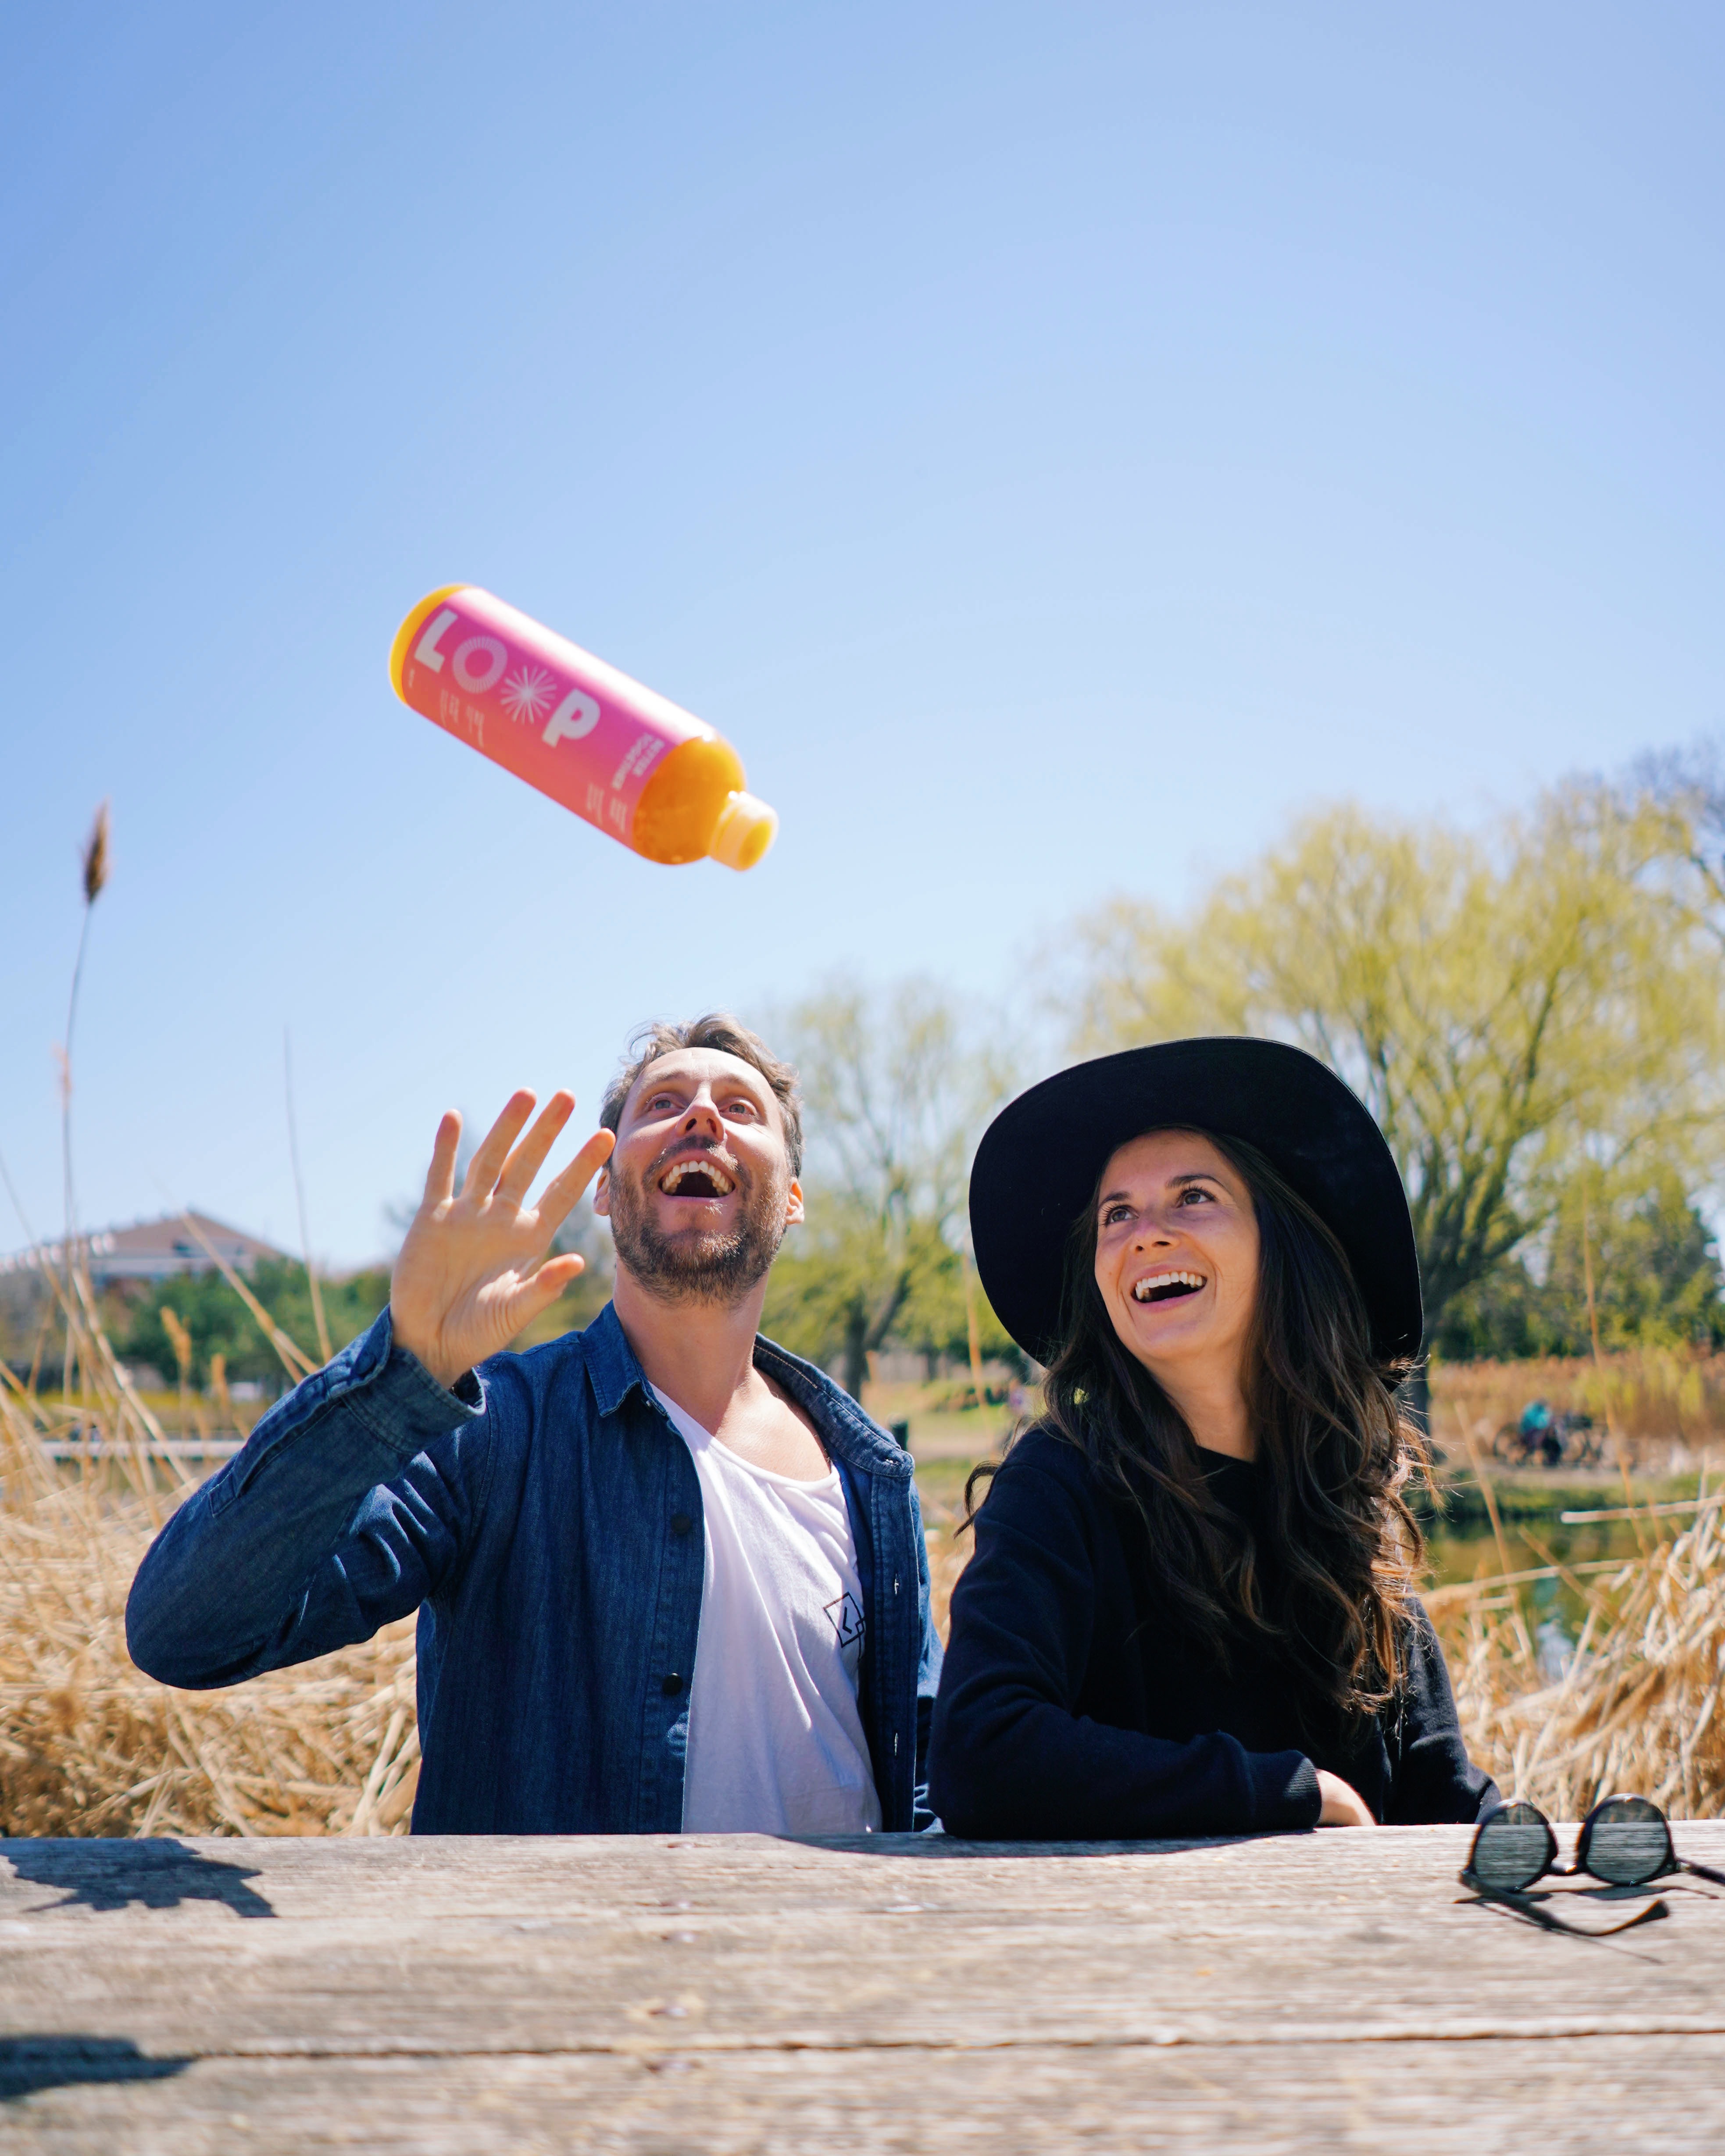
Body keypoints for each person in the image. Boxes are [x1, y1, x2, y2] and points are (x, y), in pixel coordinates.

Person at [127, 1014, 941, 1835]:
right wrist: (397, 1377)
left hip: (834, 1924)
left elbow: (921, 1781)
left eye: (740, 1108)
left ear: (792, 1198)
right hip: (569, 1928)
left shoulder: (869, 1475)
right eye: (663, 1103)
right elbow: (183, 1634)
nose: (701, 1115)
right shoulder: (489, 1433)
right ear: (603, 1189)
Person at [929, 1037, 1497, 1840]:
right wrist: (1285, 1792)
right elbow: (979, 1754)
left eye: (1192, 1197)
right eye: (1116, 1214)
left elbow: (1441, 1795)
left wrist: (1538, 1851)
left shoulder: (1343, 1498)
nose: (1145, 1235)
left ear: (1279, 1242)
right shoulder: (1057, 1484)